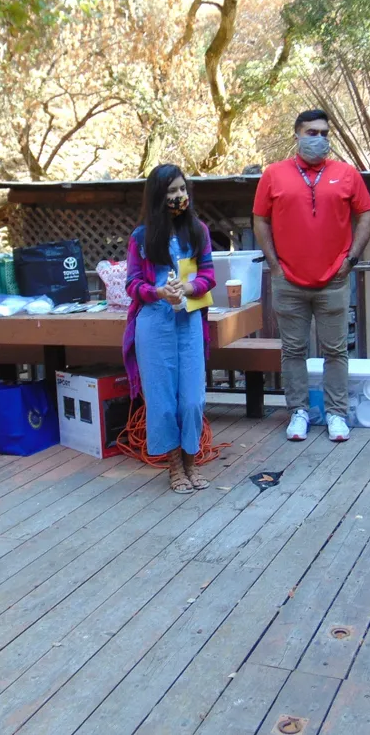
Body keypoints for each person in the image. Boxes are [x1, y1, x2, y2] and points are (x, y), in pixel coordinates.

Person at [253, 109, 370, 443]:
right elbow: (260, 220)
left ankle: (336, 414)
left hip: (334, 278)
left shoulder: (347, 174)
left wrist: (350, 260)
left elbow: (366, 215)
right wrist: (275, 265)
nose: (319, 139)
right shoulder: (273, 174)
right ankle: (298, 412)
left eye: (324, 132)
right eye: (311, 132)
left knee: (336, 350)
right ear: (296, 135)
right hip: (288, 278)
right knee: (293, 350)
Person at [123, 165, 216, 494]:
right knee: (162, 402)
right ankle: (175, 467)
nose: (178, 197)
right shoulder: (141, 237)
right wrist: (158, 292)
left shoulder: (199, 231)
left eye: (181, 189)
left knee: (191, 400)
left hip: (189, 322)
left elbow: (208, 275)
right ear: (157, 198)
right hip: (154, 324)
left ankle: (193, 461)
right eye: (170, 192)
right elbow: (132, 284)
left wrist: (190, 289)